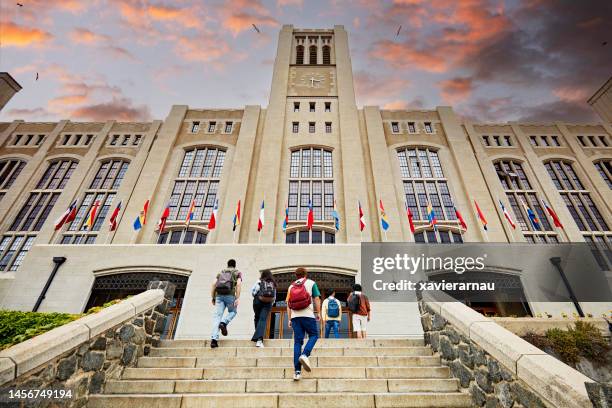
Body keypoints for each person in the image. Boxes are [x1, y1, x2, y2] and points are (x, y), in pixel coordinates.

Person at [286, 267, 321, 381]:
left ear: (296, 275)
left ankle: (297, 372)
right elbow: (316, 298)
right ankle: (305, 354)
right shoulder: (311, 283)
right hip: (308, 315)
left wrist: (289, 318)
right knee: (314, 335)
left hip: (295, 317)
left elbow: (288, 304)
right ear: (305, 274)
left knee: (297, 342)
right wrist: (319, 312)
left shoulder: (291, 286)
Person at [210, 259, 242, 348]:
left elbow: (213, 284)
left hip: (219, 296)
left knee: (217, 317)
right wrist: (238, 298)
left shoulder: (221, 272)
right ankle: (224, 323)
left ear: (227, 265)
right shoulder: (237, 272)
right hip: (230, 296)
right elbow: (238, 284)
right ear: (234, 265)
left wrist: (213, 297)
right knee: (233, 312)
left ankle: (214, 340)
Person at [250, 269, 276, 347]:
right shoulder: (273, 283)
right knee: (263, 319)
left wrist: (257, 297)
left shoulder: (259, 281)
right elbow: (274, 296)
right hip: (268, 302)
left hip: (258, 301)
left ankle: (258, 338)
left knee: (257, 318)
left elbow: (253, 291)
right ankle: (259, 340)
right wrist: (271, 302)